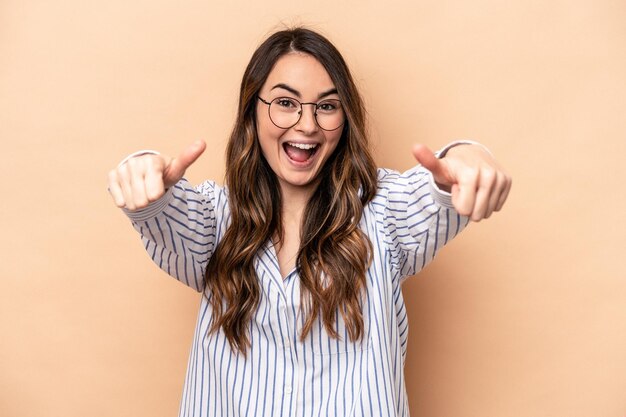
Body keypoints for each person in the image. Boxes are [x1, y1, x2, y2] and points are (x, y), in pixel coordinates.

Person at [107, 27, 511, 417]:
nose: (307, 124)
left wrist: (472, 157)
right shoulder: (215, 220)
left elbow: (441, 186)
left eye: (327, 106)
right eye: (285, 103)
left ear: (344, 117)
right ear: (253, 111)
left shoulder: (383, 211)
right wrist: (139, 172)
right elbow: (159, 209)